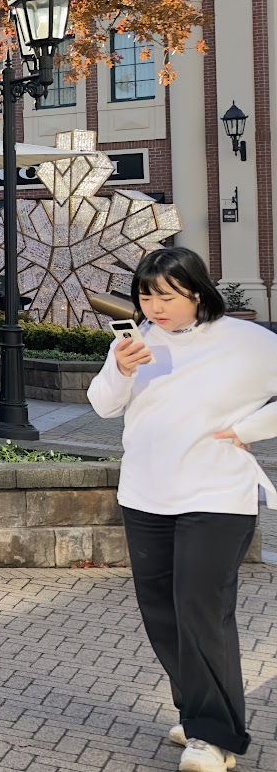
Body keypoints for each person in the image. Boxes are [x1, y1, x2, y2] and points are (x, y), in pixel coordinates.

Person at [87, 247, 277, 772]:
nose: (155, 306)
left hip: (216, 497)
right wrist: (121, 370)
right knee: (163, 615)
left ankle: (215, 738)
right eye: (146, 295)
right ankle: (199, 713)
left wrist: (249, 430)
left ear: (197, 290)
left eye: (167, 296)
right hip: (145, 496)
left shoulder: (247, 341)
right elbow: (103, 404)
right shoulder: (134, 341)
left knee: (201, 610)